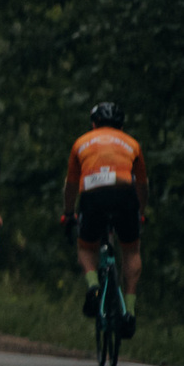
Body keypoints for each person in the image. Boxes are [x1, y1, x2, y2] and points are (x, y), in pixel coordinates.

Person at [63, 102, 148, 336]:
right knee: (131, 250)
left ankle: (93, 286)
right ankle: (129, 311)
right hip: (124, 193)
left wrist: (68, 213)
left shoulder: (81, 142)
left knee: (85, 246)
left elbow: (71, 185)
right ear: (121, 126)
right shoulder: (132, 143)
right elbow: (142, 185)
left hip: (93, 195)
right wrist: (140, 212)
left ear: (94, 124)